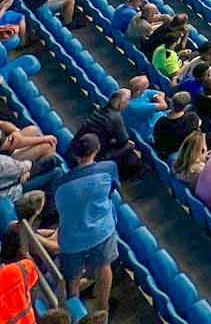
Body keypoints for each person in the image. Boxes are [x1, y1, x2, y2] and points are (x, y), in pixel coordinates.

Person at [53, 134, 121, 314]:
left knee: (72, 278)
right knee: (104, 266)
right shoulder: (109, 168)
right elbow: (112, 191)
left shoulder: (60, 183)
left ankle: (74, 311)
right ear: (97, 150)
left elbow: (59, 208)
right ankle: (103, 308)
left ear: (76, 154)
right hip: (101, 232)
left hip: (71, 238)